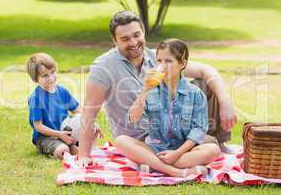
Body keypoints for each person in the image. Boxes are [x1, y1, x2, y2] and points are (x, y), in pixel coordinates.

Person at [78, 11, 237, 166]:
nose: (133, 42)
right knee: (209, 145)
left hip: (174, 133)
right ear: (115, 40)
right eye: (125, 39)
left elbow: (207, 70)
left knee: (207, 83)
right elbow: (90, 110)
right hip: (138, 140)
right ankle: (176, 161)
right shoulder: (103, 67)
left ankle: (211, 145)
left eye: (136, 35)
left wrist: (225, 102)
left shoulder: (158, 57)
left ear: (143, 32)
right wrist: (84, 155)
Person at [115, 38, 221, 177]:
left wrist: (176, 154)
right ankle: (176, 172)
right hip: (155, 149)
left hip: (183, 151)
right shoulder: (150, 90)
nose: (162, 66)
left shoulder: (195, 94)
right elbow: (133, 118)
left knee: (213, 150)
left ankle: (153, 165)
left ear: (183, 64)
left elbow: (198, 131)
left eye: (168, 61)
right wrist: (145, 90)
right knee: (121, 141)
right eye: (159, 61)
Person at [27, 53, 101, 159]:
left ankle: (78, 148)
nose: (51, 78)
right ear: (35, 79)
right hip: (46, 137)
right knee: (63, 150)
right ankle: (70, 149)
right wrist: (59, 135)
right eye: (45, 76)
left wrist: (91, 123)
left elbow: (77, 111)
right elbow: (38, 126)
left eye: (52, 72)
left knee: (93, 130)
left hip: (66, 131)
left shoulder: (62, 91)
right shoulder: (36, 99)